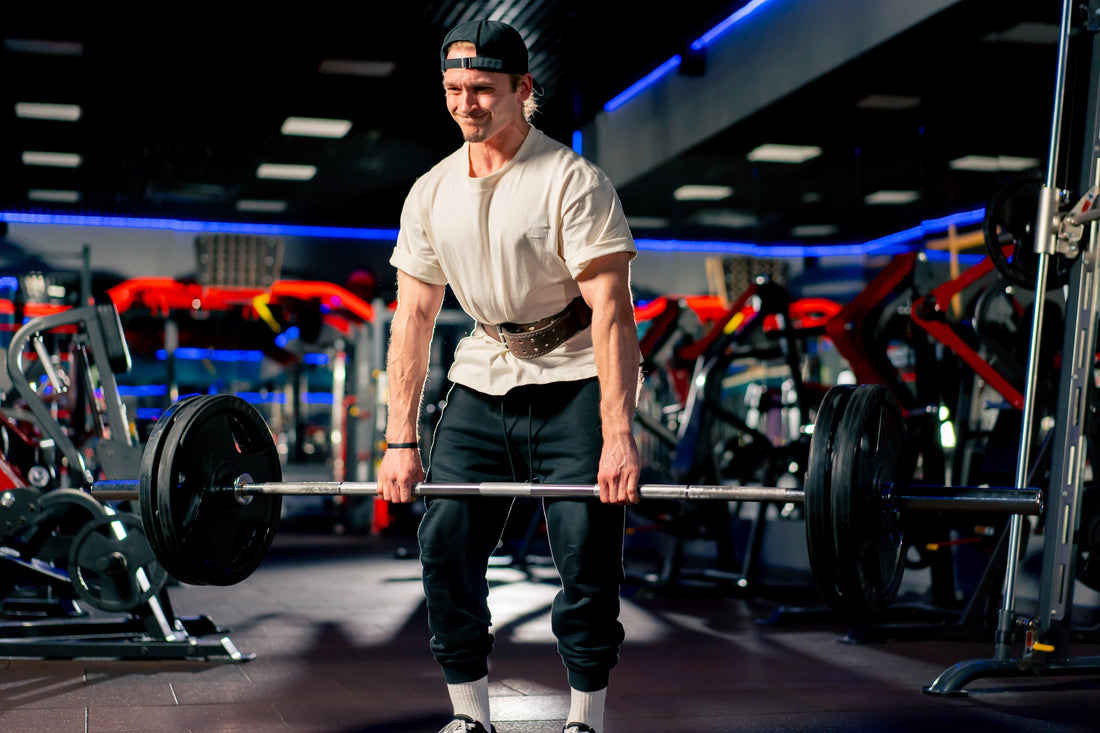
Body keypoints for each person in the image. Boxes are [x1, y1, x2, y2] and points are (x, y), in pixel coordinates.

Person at [376, 18, 642, 733]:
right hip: (482, 375)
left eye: (483, 90)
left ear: (524, 89)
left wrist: (619, 435)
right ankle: (470, 717)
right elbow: (413, 318)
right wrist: (400, 440)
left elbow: (613, 312)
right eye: (453, 89)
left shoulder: (572, 181)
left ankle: (585, 717)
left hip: (575, 374)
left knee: (586, 551)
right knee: (445, 540)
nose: (466, 104)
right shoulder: (431, 191)